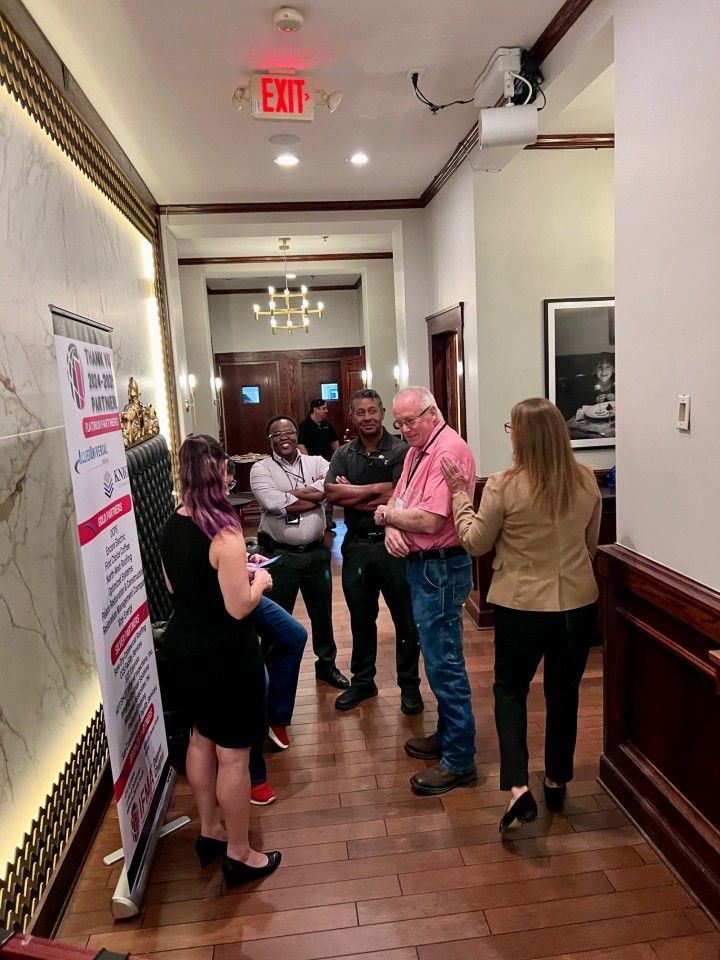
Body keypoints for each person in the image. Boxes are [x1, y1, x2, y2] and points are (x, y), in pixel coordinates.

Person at [441, 397, 601, 832]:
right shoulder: (586, 479)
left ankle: (517, 787)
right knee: (563, 694)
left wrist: (459, 495)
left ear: (522, 438)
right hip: (578, 606)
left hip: (521, 607)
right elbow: (590, 544)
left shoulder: (504, 485)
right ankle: (555, 779)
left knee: (510, 690)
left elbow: (474, 542)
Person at [159, 435, 281, 888]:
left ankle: (209, 830)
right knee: (234, 755)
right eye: (228, 469)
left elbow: (175, 588)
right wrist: (261, 581)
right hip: (225, 653)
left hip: (183, 645)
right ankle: (240, 852)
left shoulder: (171, 524)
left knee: (199, 740)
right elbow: (238, 608)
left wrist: (231, 574)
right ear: (219, 472)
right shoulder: (225, 531)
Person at [374, 387, 477, 796]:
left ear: (432, 413)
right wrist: (394, 524)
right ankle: (449, 734)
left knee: (444, 663)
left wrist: (385, 515)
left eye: (411, 420)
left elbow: (433, 521)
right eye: (398, 423)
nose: (404, 429)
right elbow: (402, 496)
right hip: (426, 568)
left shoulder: (449, 450)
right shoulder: (419, 449)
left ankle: (460, 759)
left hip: (441, 568)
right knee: (436, 660)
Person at [324, 389, 422, 714]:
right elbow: (332, 495)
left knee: (405, 620)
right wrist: (375, 492)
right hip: (356, 547)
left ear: (382, 412)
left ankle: (410, 687)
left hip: (394, 544)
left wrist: (353, 490)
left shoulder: (401, 450)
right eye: (360, 412)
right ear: (352, 417)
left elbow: (401, 495)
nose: (367, 417)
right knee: (361, 619)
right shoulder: (344, 454)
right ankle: (363, 683)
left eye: (372, 411)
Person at [250, 415, 349, 689]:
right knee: (277, 618)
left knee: (322, 613)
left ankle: (326, 666)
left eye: (289, 433)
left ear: (296, 435)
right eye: (277, 435)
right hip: (280, 557)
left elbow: (333, 488)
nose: (284, 438)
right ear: (269, 440)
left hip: (317, 554)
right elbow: (272, 503)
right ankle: (273, 673)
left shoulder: (316, 462)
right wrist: (315, 495)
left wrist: (291, 495)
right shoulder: (261, 469)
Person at [297, 398, 340, 531]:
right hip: (311, 464)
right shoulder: (303, 426)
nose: (326, 411)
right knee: (313, 491)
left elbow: (334, 442)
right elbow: (300, 444)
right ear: (315, 409)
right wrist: (309, 462)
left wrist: (337, 459)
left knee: (327, 490)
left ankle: (328, 520)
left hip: (327, 464)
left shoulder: (327, 425)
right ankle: (313, 520)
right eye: (324, 408)